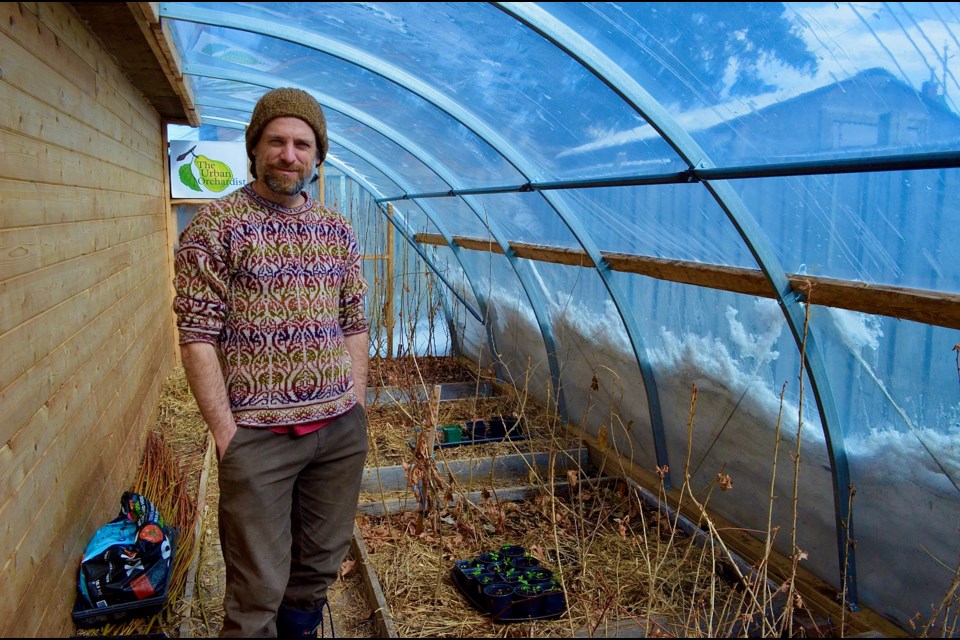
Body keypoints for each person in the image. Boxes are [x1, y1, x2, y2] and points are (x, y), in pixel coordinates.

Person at [173, 87, 369, 638]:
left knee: (317, 565)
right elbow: (197, 336)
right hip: (257, 437)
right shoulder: (215, 228)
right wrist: (226, 433)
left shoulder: (337, 230)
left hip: (338, 431)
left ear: (317, 155)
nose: (290, 154)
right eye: (277, 141)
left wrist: (356, 404)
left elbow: (354, 322)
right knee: (257, 585)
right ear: (254, 149)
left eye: (302, 144)